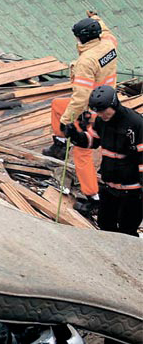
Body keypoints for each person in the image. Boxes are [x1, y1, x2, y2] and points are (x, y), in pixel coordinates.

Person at [42, 11, 118, 217]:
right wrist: (97, 18)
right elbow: (108, 31)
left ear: (82, 38)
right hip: (108, 100)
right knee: (58, 104)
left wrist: (67, 121)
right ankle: (58, 144)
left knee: (82, 154)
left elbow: (80, 98)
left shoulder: (86, 61)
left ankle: (94, 199)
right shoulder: (109, 44)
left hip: (92, 110)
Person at [63, 85, 142, 237]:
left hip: (131, 190)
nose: (100, 114)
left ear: (113, 104)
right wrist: (76, 135)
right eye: (97, 111)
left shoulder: (135, 123)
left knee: (127, 229)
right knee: (105, 225)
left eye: (103, 110)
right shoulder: (101, 121)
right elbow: (92, 141)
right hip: (110, 186)